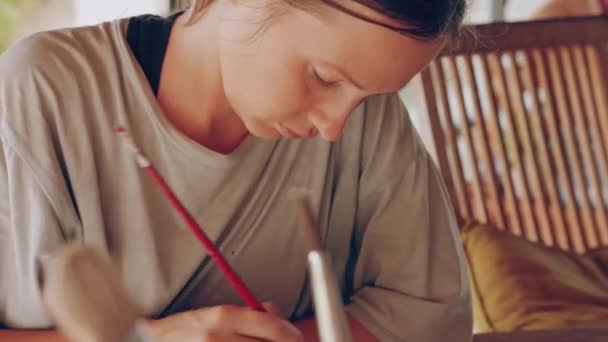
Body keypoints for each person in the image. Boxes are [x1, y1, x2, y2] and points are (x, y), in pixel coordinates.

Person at [0, 0, 472, 340]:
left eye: (369, 95)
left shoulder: (368, 118)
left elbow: (433, 316)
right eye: (325, 78)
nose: (335, 127)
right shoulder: (43, 91)